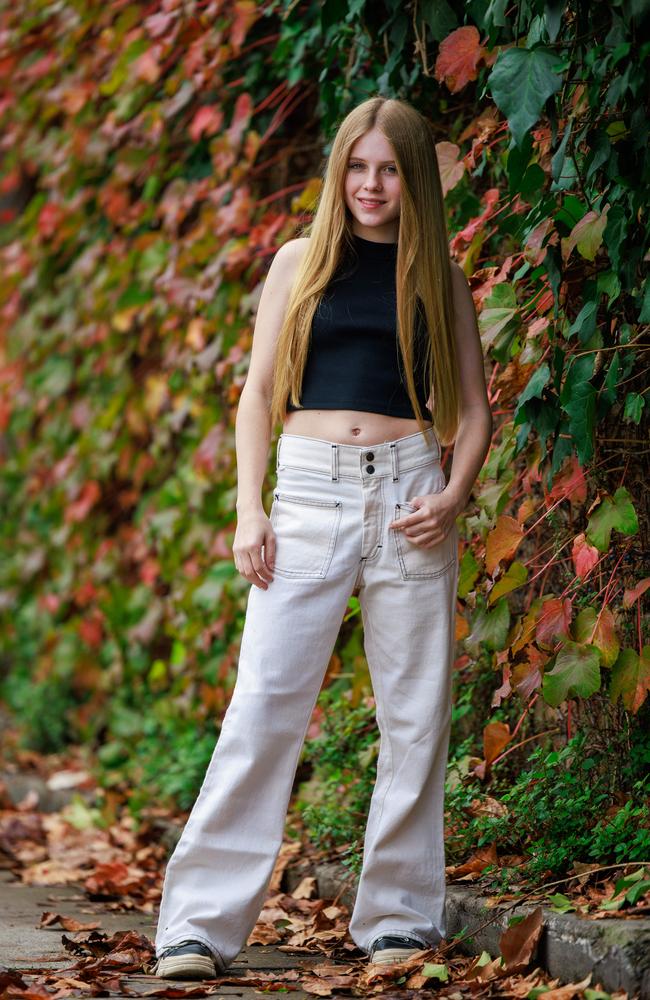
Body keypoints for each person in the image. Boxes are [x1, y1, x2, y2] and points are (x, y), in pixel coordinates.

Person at [153, 95, 492, 981]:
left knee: (415, 718)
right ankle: (196, 926)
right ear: (338, 170)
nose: (370, 184)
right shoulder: (298, 263)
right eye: (357, 166)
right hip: (306, 497)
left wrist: (452, 495)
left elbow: (475, 412)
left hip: (411, 496)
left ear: (412, 177)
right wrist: (248, 508)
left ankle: (398, 920)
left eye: (388, 169)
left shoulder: (438, 278)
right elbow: (258, 395)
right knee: (263, 705)